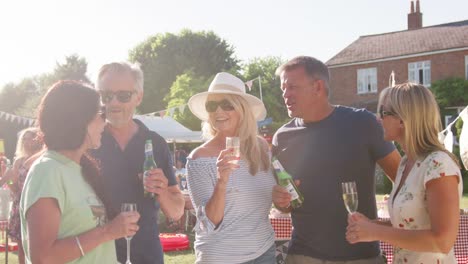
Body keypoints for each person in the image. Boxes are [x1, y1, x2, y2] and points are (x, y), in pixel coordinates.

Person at [271, 56, 401, 264]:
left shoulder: (363, 123)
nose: (285, 95)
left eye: (292, 87)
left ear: (318, 87)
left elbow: (403, 179)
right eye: (283, 88)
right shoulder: (282, 137)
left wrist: (391, 225)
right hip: (303, 256)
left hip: (360, 256)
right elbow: (289, 202)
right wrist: (281, 201)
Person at [20, 80, 140, 263]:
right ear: (80, 120)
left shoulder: (80, 168)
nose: (104, 121)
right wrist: (108, 231)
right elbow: (42, 258)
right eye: (100, 114)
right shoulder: (47, 171)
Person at [346, 82, 463, 263]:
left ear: (403, 119)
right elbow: (409, 223)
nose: (378, 119)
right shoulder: (405, 163)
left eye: (383, 113)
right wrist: (370, 225)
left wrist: (375, 231)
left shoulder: (438, 165)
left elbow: (442, 242)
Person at [93, 61, 184, 264]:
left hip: (146, 255)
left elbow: (177, 211)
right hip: (98, 255)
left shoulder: (155, 142)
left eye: (123, 96)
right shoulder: (89, 141)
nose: (113, 103)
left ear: (139, 97)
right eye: (106, 96)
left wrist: (162, 191)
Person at [186, 72, 276, 263]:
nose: (219, 111)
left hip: (264, 251)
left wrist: (283, 198)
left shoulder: (261, 148)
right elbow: (210, 222)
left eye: (227, 104)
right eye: (212, 105)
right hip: (222, 257)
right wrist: (222, 181)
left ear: (242, 109)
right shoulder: (200, 158)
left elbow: (272, 198)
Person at [0, 127, 43, 264]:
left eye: (30, 138)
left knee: (39, 245)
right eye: (24, 139)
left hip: (39, 204)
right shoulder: (19, 161)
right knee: (22, 248)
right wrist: (5, 175)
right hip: (20, 205)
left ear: (38, 139)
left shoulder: (43, 158)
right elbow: (13, 187)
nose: (27, 141)